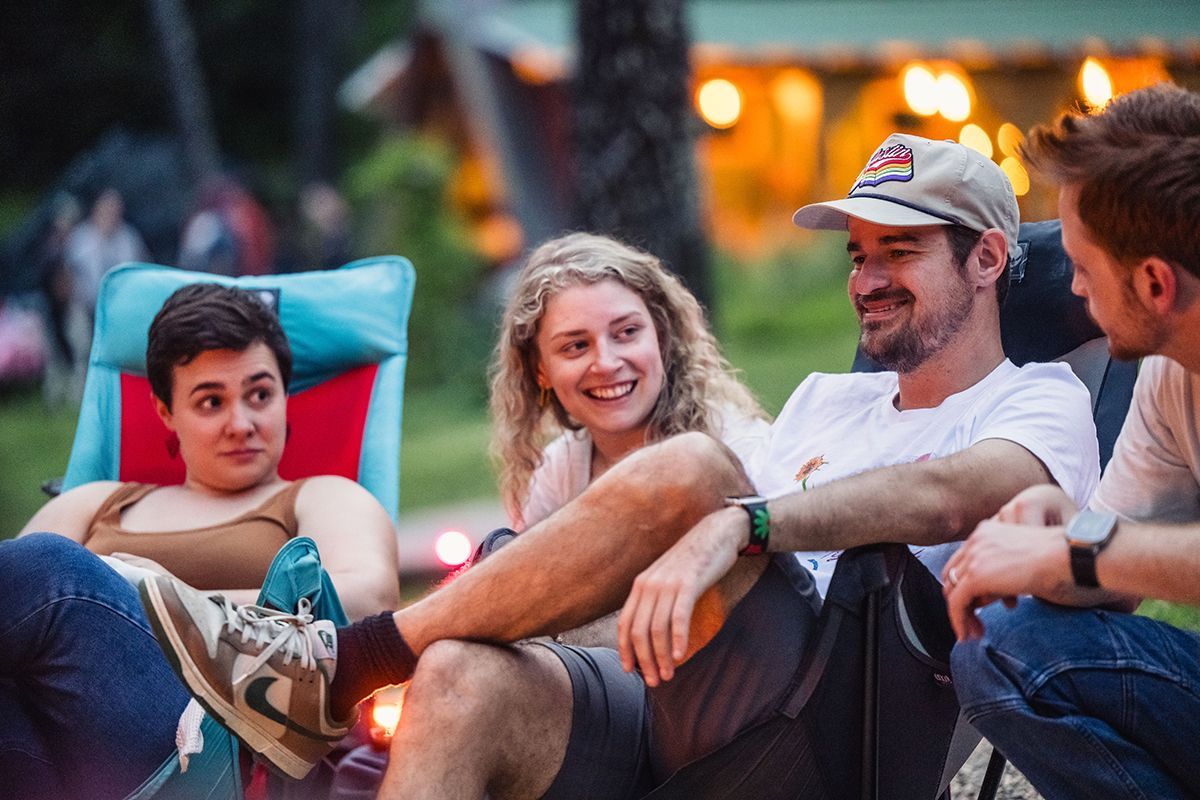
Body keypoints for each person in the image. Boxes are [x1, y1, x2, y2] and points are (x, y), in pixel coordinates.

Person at [142, 133, 1101, 799]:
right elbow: (664, 535)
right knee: (462, 678)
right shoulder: (826, 398)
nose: (866, 279)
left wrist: (743, 523)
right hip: (686, 702)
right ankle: (350, 673)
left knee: (693, 469)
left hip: (834, 728)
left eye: (900, 251)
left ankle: (345, 663)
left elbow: (951, 494)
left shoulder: (1038, 400)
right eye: (857, 254)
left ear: (987, 258)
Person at [0, 283, 399, 799]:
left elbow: (362, 602)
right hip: (59, 753)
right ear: (165, 411)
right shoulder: (94, 502)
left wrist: (141, 594)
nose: (241, 424)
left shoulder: (320, 497)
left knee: (52, 571)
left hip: (223, 746)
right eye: (211, 401)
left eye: (260, 395)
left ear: (285, 397)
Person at [944, 83, 1200, 799]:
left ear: (1155, 282)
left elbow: (1107, 553)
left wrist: (1076, 550)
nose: (1076, 290)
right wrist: (1062, 532)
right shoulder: (1171, 375)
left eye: (1083, 269)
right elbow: (1115, 570)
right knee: (1001, 644)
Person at [63, 188, 147, 398]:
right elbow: (69, 276)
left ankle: (122, 386)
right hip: (85, 304)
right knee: (81, 336)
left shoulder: (128, 237)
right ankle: (81, 388)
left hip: (121, 306)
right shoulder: (81, 240)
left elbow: (139, 272)